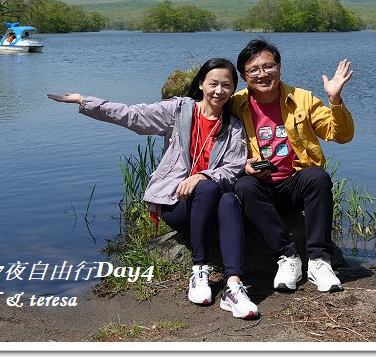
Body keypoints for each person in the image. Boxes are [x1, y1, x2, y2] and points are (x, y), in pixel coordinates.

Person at [47, 58, 259, 319]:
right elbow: (132, 115)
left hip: (211, 202)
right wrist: (84, 101)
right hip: (176, 204)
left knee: (223, 197)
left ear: (234, 88)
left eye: (226, 85)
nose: (219, 91)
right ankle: (199, 271)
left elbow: (232, 169)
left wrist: (202, 175)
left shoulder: (234, 127)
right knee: (211, 190)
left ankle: (234, 287)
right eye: (213, 83)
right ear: (202, 83)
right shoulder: (179, 111)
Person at [230, 38, 354, 294]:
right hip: (261, 188)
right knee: (244, 184)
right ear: (244, 76)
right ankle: (288, 257)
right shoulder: (235, 104)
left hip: (296, 184)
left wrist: (335, 99)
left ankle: (319, 261)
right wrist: (244, 165)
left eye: (268, 66)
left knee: (317, 177)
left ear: (279, 67)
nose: (262, 74)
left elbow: (340, 135)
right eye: (254, 70)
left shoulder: (302, 99)